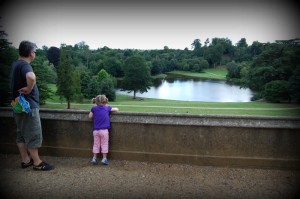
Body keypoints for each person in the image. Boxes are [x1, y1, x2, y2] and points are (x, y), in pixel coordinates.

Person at [10, 41, 54, 171]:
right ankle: (37, 163)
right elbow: (31, 77)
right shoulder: (25, 65)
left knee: (21, 133)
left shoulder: (15, 64)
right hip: (28, 106)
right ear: (31, 53)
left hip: (17, 104)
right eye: (34, 52)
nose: (35, 54)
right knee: (33, 134)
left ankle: (25, 160)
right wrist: (29, 88)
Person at [89, 94, 119, 165]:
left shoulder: (93, 108)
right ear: (105, 101)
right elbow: (116, 109)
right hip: (104, 130)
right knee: (104, 144)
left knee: (96, 144)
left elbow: (90, 116)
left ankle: (94, 158)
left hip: (96, 130)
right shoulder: (107, 108)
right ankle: (104, 159)